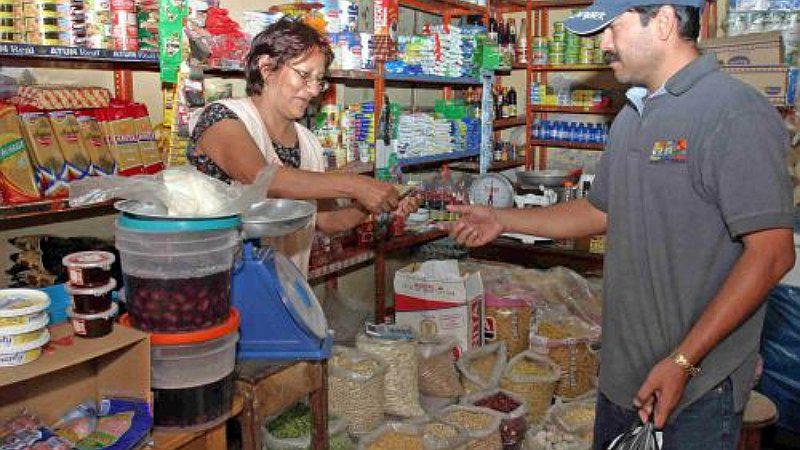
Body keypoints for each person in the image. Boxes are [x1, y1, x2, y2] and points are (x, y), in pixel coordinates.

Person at [444, 1, 796, 448]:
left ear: (665, 22)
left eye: (613, 29)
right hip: (622, 376)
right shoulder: (632, 116)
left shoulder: (734, 113)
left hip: (695, 387)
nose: (604, 45)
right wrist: (502, 218)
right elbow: (601, 211)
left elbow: (772, 254)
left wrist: (683, 362)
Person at [188, 17, 415, 276]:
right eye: (304, 75)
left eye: (319, 80)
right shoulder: (222, 117)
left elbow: (328, 221)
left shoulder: (308, 143)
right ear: (266, 68)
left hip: (287, 292)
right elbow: (261, 177)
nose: (313, 90)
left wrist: (372, 203)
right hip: (221, 291)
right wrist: (356, 184)